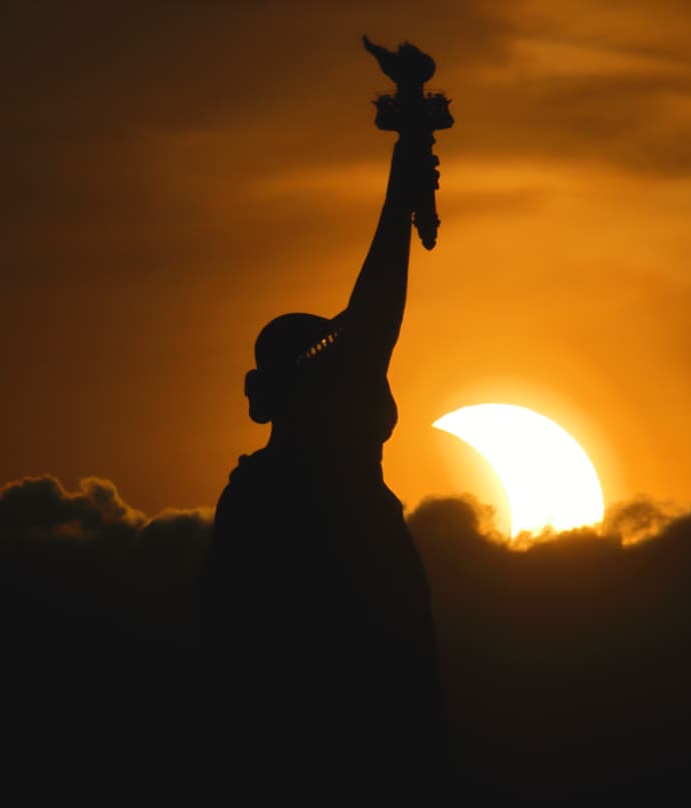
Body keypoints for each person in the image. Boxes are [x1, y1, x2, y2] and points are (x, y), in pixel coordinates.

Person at [195, 130, 443, 785]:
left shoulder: (251, 492)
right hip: (342, 667)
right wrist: (405, 172)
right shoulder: (275, 490)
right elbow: (379, 293)